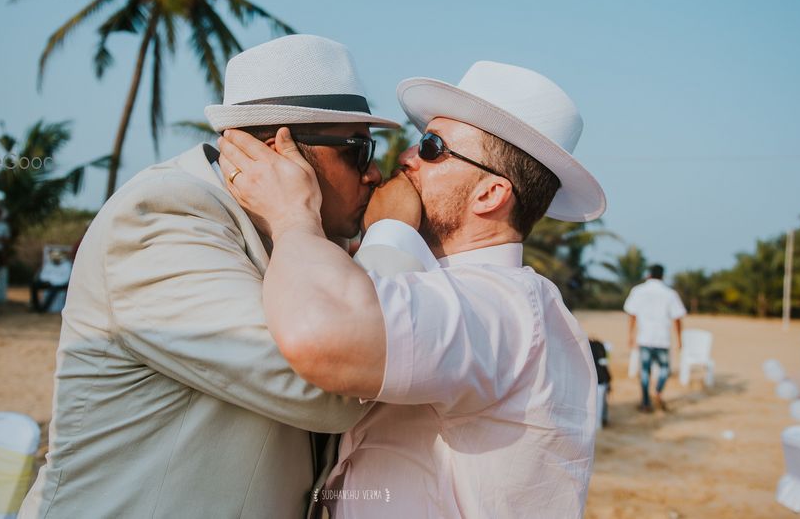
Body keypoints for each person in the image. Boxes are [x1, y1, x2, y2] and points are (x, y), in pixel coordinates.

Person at [20, 35, 402, 519]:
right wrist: (395, 235)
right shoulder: (160, 219)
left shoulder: (301, 243)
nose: (374, 174)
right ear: (276, 153)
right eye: (359, 150)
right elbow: (329, 384)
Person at [220, 60, 606, 518]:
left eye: (432, 147)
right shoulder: (470, 295)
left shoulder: (500, 307)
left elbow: (322, 334)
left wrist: (293, 216)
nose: (404, 158)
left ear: (490, 195)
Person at [623, 264, 686, 412]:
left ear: (648, 275)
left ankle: (645, 402)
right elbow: (677, 318)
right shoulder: (670, 293)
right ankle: (658, 391)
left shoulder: (638, 291)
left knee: (645, 371)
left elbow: (632, 314)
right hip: (662, 338)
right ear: (663, 276)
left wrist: (630, 335)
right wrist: (679, 339)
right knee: (665, 369)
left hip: (645, 337)